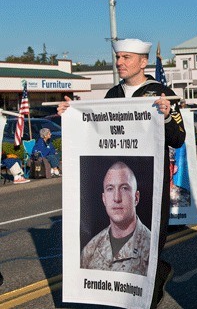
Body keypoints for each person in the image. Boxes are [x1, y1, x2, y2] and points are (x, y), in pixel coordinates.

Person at [58, 38, 185, 308]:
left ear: (142, 62)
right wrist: (71, 116)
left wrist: (165, 115)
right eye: (118, 58)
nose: (119, 63)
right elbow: (96, 130)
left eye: (126, 58)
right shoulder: (113, 95)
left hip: (150, 180)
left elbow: (179, 138)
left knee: (149, 246)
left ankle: (154, 283)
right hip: (119, 176)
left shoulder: (161, 92)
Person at [81, 161, 151, 275]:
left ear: (136, 198)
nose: (117, 198)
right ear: (104, 199)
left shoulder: (150, 248)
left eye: (124, 188)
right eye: (110, 189)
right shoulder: (90, 249)